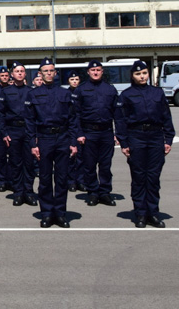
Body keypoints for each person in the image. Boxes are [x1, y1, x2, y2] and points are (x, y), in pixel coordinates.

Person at [115, 60, 175, 228]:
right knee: (139, 177)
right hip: (136, 136)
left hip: (155, 137)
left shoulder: (157, 93)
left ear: (148, 74)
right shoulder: (126, 95)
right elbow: (120, 121)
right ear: (133, 76)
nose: (142, 76)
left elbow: (166, 116)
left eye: (144, 73)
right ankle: (141, 214)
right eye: (138, 74)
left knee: (153, 178)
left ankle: (153, 214)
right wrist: (124, 142)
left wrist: (168, 139)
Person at [25, 58, 81, 228]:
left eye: (51, 70)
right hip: (44, 139)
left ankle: (61, 213)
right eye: (45, 71)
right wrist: (33, 144)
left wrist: (73, 142)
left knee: (62, 178)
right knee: (44, 178)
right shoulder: (33, 94)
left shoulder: (65, 94)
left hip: (63, 138)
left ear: (55, 73)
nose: (49, 73)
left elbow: (73, 119)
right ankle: (47, 213)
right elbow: (29, 121)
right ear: (40, 73)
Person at [69, 62, 118, 206]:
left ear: (102, 71)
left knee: (105, 165)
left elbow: (118, 114)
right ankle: (93, 192)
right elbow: (75, 114)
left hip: (106, 132)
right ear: (88, 72)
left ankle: (104, 192)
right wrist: (79, 133)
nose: (95, 72)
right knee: (89, 165)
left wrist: (118, 133)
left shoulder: (110, 89)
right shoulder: (81, 90)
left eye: (98, 70)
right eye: (93, 70)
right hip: (88, 132)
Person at [0, 62, 38, 206]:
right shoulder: (5, 92)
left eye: (22, 71)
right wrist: (4, 132)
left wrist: (35, 133)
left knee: (29, 162)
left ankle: (29, 192)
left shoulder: (31, 92)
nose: (19, 73)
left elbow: (36, 114)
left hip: (28, 130)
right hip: (12, 131)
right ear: (12, 75)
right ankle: (18, 192)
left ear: (25, 74)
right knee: (15, 162)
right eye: (17, 71)